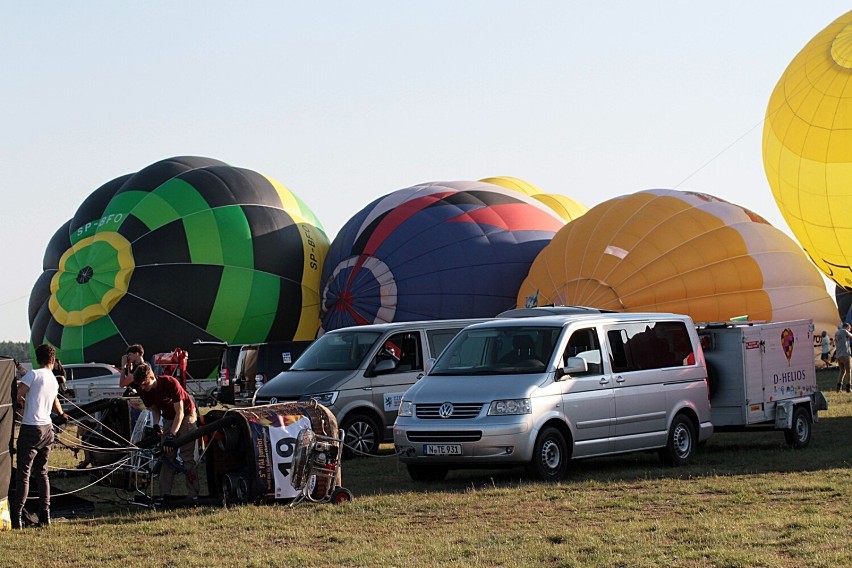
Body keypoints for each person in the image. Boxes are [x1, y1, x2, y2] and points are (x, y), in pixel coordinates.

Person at [12, 344, 68, 529]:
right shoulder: (52, 378)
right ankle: (46, 515)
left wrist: (19, 401)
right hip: (47, 430)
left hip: (31, 429)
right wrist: (61, 414)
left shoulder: (33, 375)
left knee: (24, 475)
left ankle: (17, 517)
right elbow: (54, 401)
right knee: (42, 473)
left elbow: (18, 394)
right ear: (52, 360)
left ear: (38, 359)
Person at [132, 363, 199, 502]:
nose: (143, 387)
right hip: (168, 416)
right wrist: (156, 425)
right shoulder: (144, 391)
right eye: (141, 385)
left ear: (152, 376)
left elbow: (180, 413)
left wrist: (172, 436)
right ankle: (164, 494)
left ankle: (193, 494)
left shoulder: (170, 383)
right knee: (167, 456)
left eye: (145, 383)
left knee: (187, 456)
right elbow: (155, 409)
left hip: (186, 414)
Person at [834, 323, 852, 392]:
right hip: (845, 354)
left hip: (839, 355)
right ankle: (848, 388)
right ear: (847, 327)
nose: (849, 330)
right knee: (848, 371)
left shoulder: (836, 333)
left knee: (842, 371)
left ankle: (838, 388)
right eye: (849, 329)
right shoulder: (845, 331)